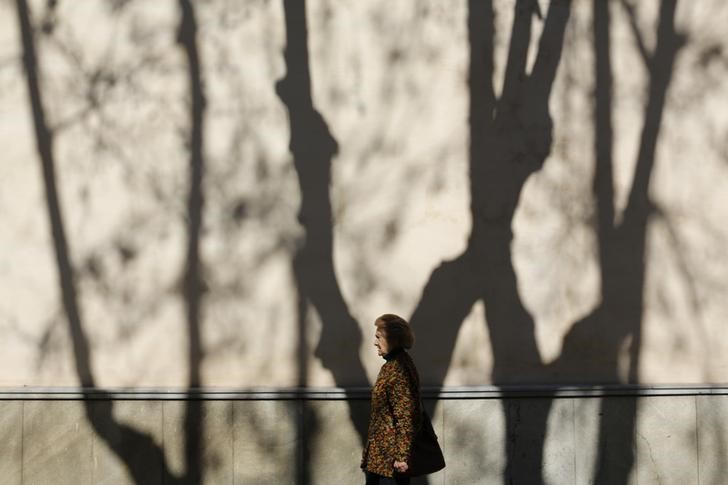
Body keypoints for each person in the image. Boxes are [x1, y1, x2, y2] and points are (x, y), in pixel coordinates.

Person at [361, 314, 421, 485]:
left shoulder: (399, 369)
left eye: (378, 337)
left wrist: (402, 457)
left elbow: (406, 415)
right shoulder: (392, 365)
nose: (375, 342)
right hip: (382, 455)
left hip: (391, 459)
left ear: (393, 339)